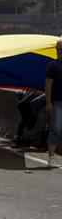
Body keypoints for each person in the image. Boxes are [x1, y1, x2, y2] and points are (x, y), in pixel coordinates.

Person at [45, 38, 62, 168]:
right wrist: (48, 103)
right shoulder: (53, 66)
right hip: (57, 102)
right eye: (60, 49)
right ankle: (51, 157)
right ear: (56, 51)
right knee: (56, 129)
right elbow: (48, 86)